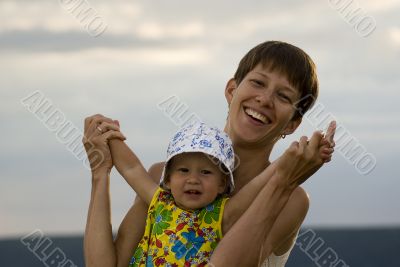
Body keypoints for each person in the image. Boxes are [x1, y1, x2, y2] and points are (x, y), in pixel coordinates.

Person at [83, 40, 336, 267]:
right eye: (258, 82)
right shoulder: (163, 176)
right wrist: (100, 172)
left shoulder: (291, 197)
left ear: (292, 124)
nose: (265, 99)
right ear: (231, 90)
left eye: (283, 96)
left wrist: (283, 179)